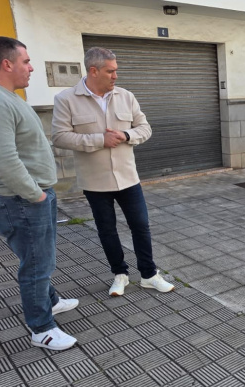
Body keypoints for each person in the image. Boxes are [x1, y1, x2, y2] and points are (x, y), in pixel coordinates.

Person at [0, 37, 78, 350]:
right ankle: (41, 328)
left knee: (38, 258)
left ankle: (49, 301)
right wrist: (34, 194)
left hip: (27, 197)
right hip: (21, 199)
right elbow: (3, 161)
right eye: (26, 61)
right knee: (37, 264)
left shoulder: (4, 96)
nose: (31, 67)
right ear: (7, 64)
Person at [52, 47, 174, 297]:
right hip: (95, 182)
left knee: (140, 225)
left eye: (116, 70)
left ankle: (149, 275)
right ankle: (120, 274)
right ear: (93, 71)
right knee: (106, 229)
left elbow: (145, 128)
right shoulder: (66, 99)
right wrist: (99, 140)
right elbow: (60, 137)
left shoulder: (126, 96)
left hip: (128, 177)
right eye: (111, 71)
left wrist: (127, 135)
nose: (116, 75)